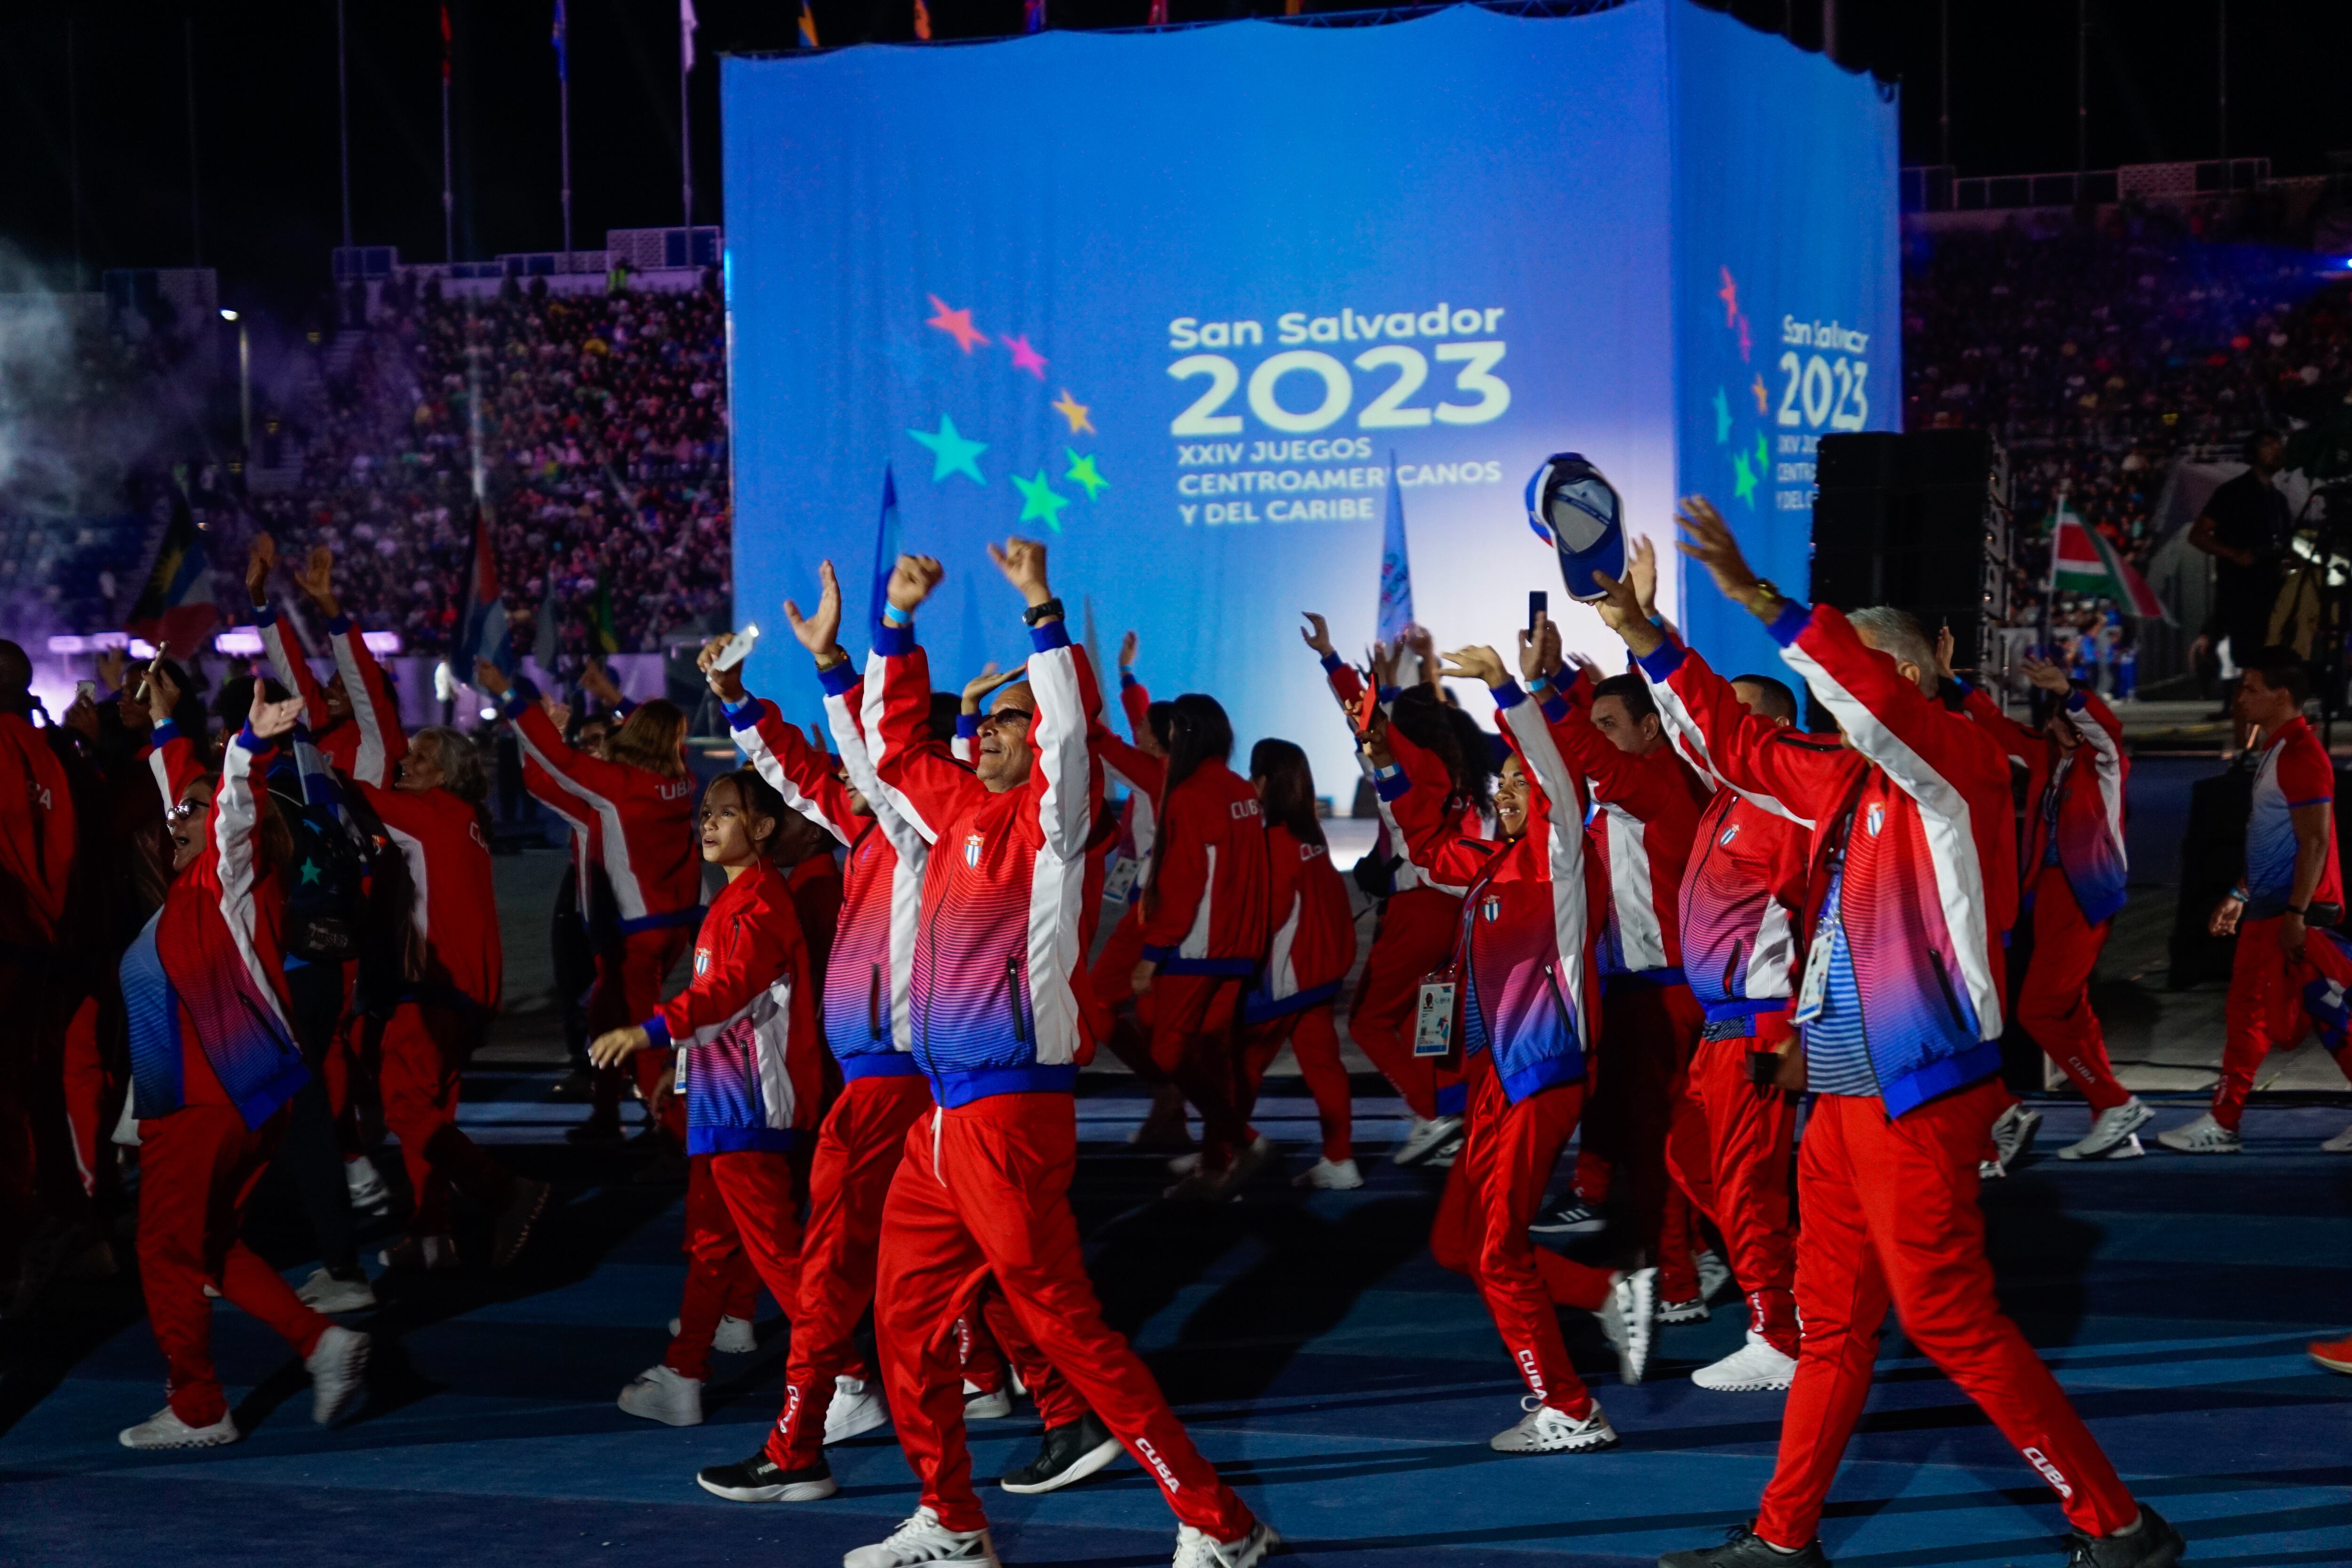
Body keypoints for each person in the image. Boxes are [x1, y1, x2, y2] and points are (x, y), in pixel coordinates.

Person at [1618, 496, 2180, 1568]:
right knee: (1833, 1330)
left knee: (1949, 1318)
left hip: (1917, 1095)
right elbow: (1736, 745)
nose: (1827, 697)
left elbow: (1868, 699)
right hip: (1843, 1095)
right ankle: (1783, 1538)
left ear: (1908, 675)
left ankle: (2117, 1523)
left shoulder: (1958, 764)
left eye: (1848, 674)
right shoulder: (1847, 782)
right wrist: (1648, 636)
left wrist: (1762, 599)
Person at [855, 539, 1273, 1568]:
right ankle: (952, 1519)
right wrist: (895, 625)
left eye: (1009, 718)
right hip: (941, 1122)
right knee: (903, 1323)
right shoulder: (955, 809)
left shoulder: (1054, 829)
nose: (987, 731)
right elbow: (892, 747)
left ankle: (1219, 1521)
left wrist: (1043, 610)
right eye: (983, 720)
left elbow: (1072, 737)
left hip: (1009, 1117)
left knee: (1067, 1329)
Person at [687, 559, 943, 1500]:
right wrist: (737, 698)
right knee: (967, 1259)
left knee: (834, 1259)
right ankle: (1035, 1393)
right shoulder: (874, 833)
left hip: (889, 1078)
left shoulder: (915, 829)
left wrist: (841, 660)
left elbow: (857, 760)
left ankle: (802, 1440)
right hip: (892, 1075)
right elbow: (798, 773)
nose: (846, 772)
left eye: (870, 753)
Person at [1383, 634, 1634, 1452]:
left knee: (1496, 1251)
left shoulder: (1561, 864)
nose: (1513, 791)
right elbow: (1425, 846)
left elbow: (1556, 779)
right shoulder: (1493, 864)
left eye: (1524, 782)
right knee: (1464, 1243)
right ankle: (1603, 1301)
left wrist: (1506, 688)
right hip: (1502, 1076)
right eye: (1507, 784)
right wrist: (1375, 750)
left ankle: (1569, 1405)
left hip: (1542, 1072)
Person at [115, 677, 370, 1449]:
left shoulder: (226, 876)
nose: (178, 819)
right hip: (241, 1091)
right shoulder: (195, 890)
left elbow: (230, 808)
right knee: (212, 1243)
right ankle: (322, 1342)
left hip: (208, 1097)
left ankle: (199, 1407)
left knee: (164, 1250)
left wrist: (250, 747)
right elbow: (186, 787)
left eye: (190, 811)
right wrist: (165, 718)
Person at [1618, 541, 1809, 1393]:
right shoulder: (1725, 795)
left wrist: (1797, 1022)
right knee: (1694, 1162)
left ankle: (1780, 1330)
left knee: (1745, 1180)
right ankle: (1798, 1288)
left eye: (1736, 717)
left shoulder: (1781, 799)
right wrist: (1641, 626)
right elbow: (1684, 717)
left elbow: (1816, 914)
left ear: (1772, 729)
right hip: (1721, 1029)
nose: (1713, 730)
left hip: (1759, 1025)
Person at [589, 769, 828, 1432]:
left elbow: (726, 993)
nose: (708, 823)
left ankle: (843, 1375)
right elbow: (719, 1004)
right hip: (724, 1102)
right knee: (713, 1245)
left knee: (777, 1254)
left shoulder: (758, 906)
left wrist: (650, 1031)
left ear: (763, 828)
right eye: (706, 813)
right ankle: (685, 1372)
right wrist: (680, 1069)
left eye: (725, 813)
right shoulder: (733, 902)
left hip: (747, 1106)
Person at [327, 602, 541, 1271]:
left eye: (418, 758)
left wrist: (297, 756)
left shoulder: (430, 814)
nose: (403, 763)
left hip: (432, 990)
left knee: (402, 1107)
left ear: (444, 773)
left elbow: (351, 791)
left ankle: (504, 1191)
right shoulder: (464, 821)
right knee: (431, 1112)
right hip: (468, 996)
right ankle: (431, 1235)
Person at [1527, 624, 1707, 1326]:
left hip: (1665, 993)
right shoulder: (1631, 788)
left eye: (1610, 724)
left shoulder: (1655, 782)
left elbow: (1593, 755)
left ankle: (1681, 1281)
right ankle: (1697, 1259)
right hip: (1641, 991)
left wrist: (1533, 689)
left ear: (1650, 728)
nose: (1596, 737)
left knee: (1658, 1145)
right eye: (1594, 722)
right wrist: (1556, 687)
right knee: (1669, 1143)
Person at [1947, 643, 2149, 1163]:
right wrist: (1953, 681)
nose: (2070, 725)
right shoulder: (2046, 756)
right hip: (2049, 895)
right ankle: (2112, 1122)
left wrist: (2069, 691)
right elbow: (1995, 725)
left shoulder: (2105, 762)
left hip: (2085, 894)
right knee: (2073, 1010)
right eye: (2062, 715)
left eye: (2074, 716)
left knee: (2037, 1010)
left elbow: (2106, 730)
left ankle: (2115, 1102)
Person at [501, 659, 704, 1151]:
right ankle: (608, 1113)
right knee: (605, 1018)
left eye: (603, 740)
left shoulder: (613, 789)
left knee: (636, 1030)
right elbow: (660, 739)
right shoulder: (681, 780)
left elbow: (551, 771)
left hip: (631, 931)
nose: (597, 749)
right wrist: (614, 698)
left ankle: (673, 1132)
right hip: (674, 923)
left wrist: (518, 705)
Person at [2161, 646, 2352, 1153]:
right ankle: (2222, 1121)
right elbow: (2274, 838)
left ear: (2281, 695)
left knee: (2287, 1015)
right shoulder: (2278, 750)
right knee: (2292, 1014)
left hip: (2289, 914)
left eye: (2250, 688)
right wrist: (2238, 893)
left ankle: (2223, 1122)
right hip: (2275, 909)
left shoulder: (2300, 755)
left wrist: (2295, 915)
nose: (2240, 698)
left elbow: (2314, 841)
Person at [1302, 615, 1477, 1165]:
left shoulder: (1409, 762)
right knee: (1421, 1022)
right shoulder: (1451, 769)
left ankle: (1432, 1115)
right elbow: (1390, 714)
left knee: (1368, 1023)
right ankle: (1447, 1121)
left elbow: (1364, 715)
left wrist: (1331, 658)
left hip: (1416, 910)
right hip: (1452, 911)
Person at [1135, 692, 1272, 1199]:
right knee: (1215, 1060)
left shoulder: (1190, 794)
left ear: (1185, 732)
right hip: (1237, 948)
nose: (1165, 737)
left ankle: (1244, 1140)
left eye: (1172, 728)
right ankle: (1217, 1167)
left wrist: (1153, 954)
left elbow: (1185, 880)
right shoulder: (1240, 790)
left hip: (1197, 949)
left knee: (1168, 1051)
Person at [1237, 738, 1360, 1189]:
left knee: (1240, 1066)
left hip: (1285, 977)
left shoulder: (1274, 841)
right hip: (1319, 972)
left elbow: (1269, 913)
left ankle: (1230, 1151)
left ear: (1264, 781)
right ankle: (1340, 1158)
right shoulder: (1311, 835)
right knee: (1324, 1066)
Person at [2188, 430, 2292, 703]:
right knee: (2250, 658)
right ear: (2253, 452)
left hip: (2272, 588)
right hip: (2242, 590)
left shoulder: (2278, 500)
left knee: (2269, 657)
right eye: (2268, 443)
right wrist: (2236, 555)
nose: (2277, 449)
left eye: (2279, 444)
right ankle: (2246, 718)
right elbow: (2198, 535)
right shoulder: (2233, 492)